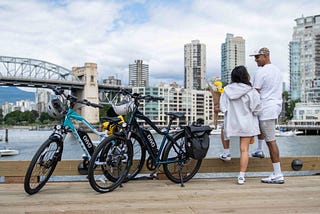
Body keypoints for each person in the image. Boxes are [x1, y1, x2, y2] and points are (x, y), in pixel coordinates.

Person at [220, 65, 261, 184]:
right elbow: (257, 109)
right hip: (246, 124)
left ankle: (226, 152)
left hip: (231, 123)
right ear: (246, 76)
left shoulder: (227, 90)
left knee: (223, 130)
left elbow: (223, 108)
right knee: (244, 150)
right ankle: (241, 177)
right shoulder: (251, 91)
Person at [250, 47, 285, 184]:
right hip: (275, 106)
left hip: (266, 108)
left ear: (265, 56)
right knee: (265, 133)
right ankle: (259, 149)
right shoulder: (277, 70)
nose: (255, 60)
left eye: (257, 57)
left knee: (271, 141)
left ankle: (278, 174)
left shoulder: (261, 72)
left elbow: (255, 92)